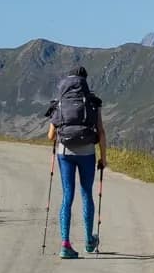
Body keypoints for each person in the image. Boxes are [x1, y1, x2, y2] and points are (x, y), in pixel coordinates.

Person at [44, 65, 107, 258]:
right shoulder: (92, 102)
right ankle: (89, 240)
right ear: (84, 81)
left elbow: (50, 136)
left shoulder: (60, 103)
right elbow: (101, 132)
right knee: (86, 193)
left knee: (67, 196)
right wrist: (103, 158)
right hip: (87, 153)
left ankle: (65, 245)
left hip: (64, 153)